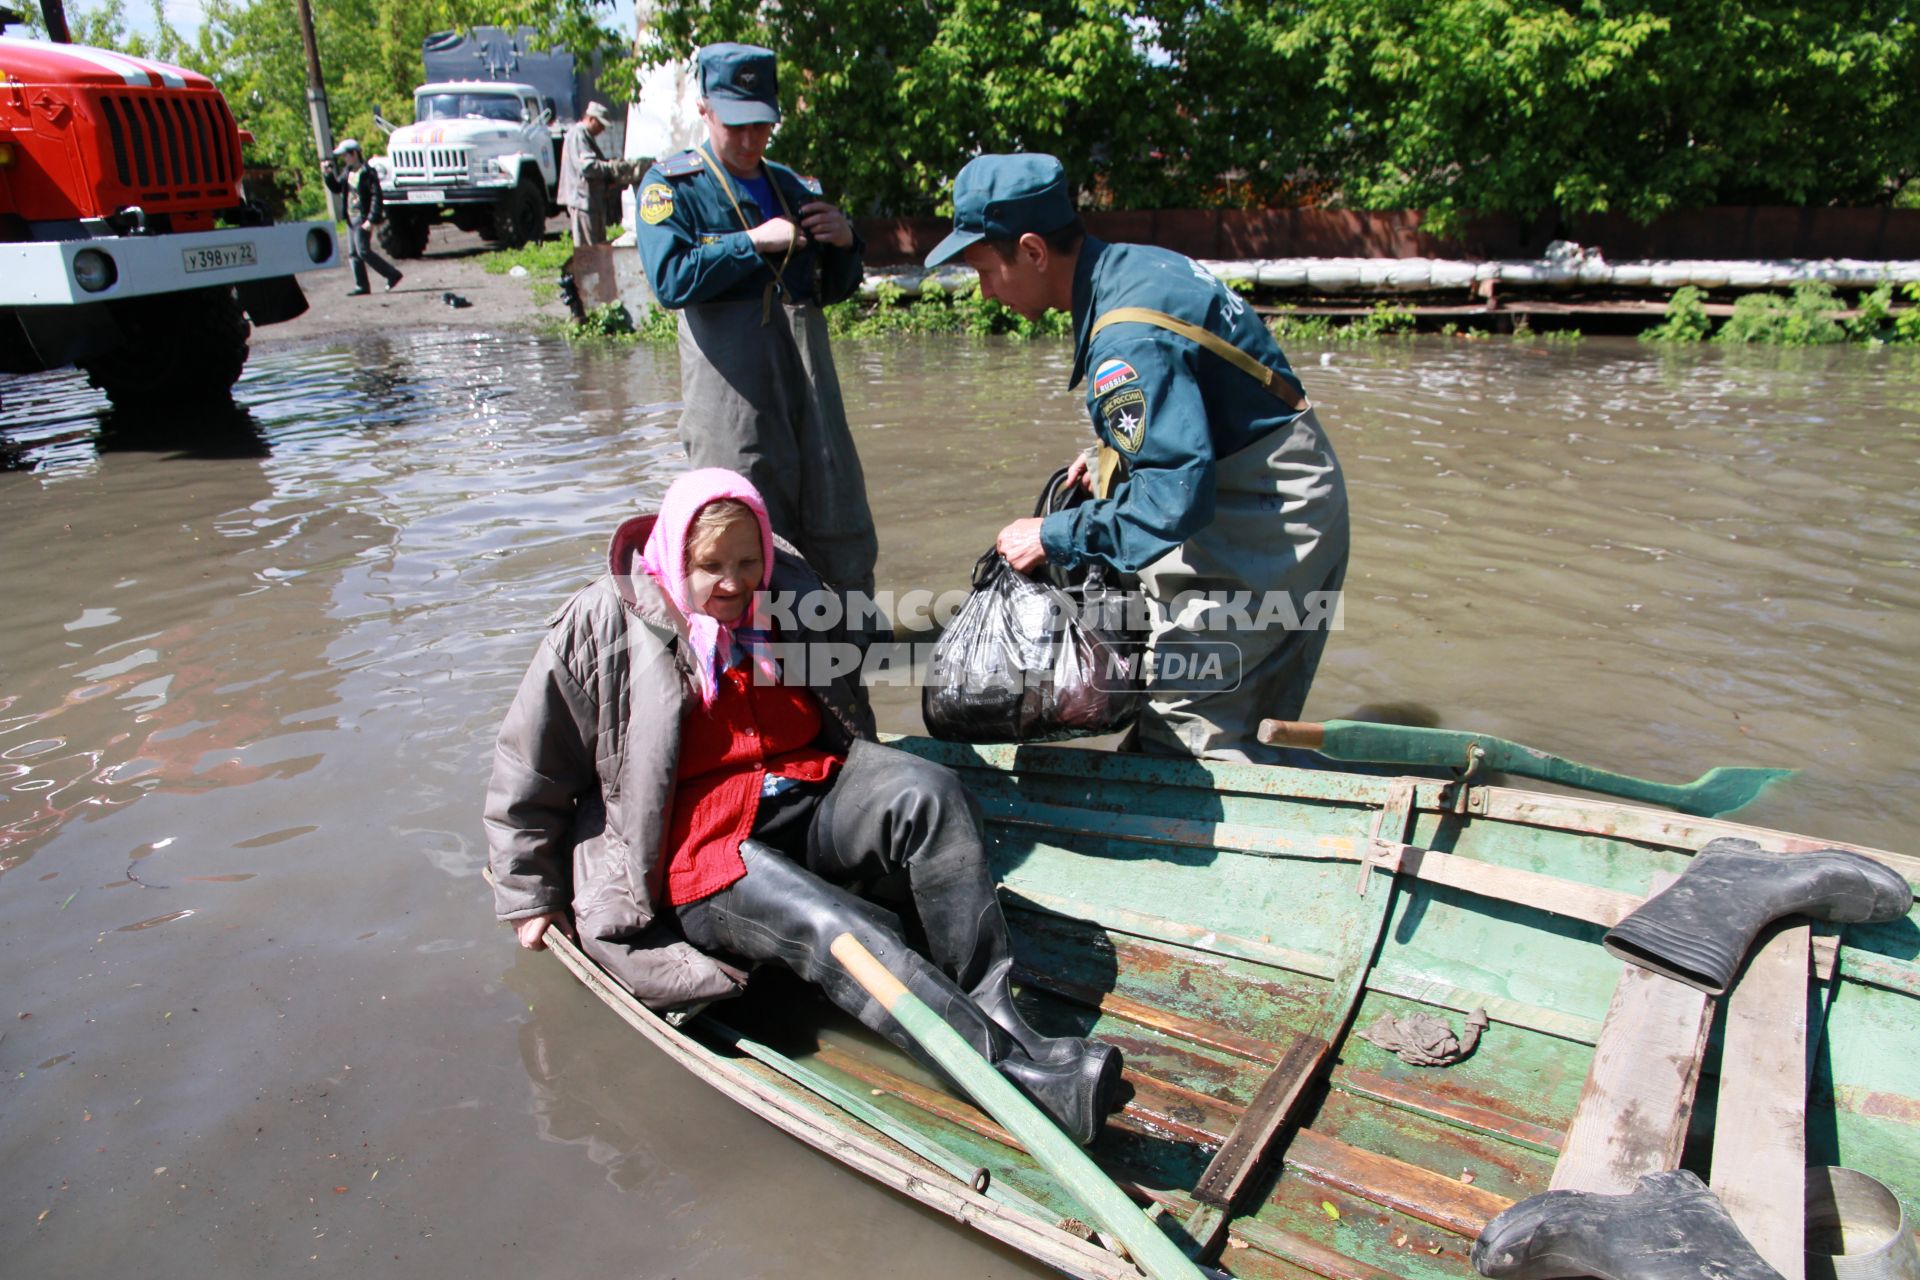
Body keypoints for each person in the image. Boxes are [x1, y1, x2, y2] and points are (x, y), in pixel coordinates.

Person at [483, 468, 1123, 1145]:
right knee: (834, 925)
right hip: (699, 849)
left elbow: (845, 696)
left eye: (747, 561)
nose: (733, 583)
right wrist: (531, 894)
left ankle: (998, 1011)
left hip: (803, 788)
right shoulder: (603, 621)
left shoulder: (786, 588)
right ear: (675, 556)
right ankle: (1014, 1082)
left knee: (930, 793)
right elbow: (531, 763)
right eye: (711, 566)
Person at [924, 154, 1350, 763]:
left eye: (985, 269)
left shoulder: (1125, 340)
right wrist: (1111, 458)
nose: (985, 290)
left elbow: (1173, 500)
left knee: (1189, 721)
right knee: (1252, 715)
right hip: (1293, 493)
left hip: (1263, 523)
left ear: (1033, 251)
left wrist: (1054, 532)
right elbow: (1198, 406)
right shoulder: (1135, 264)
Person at [633, 43, 877, 610]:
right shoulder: (674, 188)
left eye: (761, 126)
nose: (749, 141)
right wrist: (751, 243)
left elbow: (831, 289)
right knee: (736, 528)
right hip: (730, 397)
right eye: (736, 126)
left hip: (807, 387)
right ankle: (741, 662)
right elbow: (670, 280)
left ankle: (841, 654)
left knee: (834, 511)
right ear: (705, 111)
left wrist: (844, 243)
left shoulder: (795, 186)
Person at [323, 139, 402, 296]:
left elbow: (376, 197)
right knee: (353, 253)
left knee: (363, 251)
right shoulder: (347, 172)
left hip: (362, 216)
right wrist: (328, 175)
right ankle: (361, 285)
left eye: (346, 155)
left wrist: (371, 219)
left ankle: (391, 274)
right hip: (350, 217)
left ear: (354, 154)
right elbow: (337, 188)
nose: (344, 159)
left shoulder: (368, 172)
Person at [559, 101, 618, 248]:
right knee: (588, 250)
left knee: (596, 247)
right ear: (591, 119)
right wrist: (611, 168)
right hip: (582, 201)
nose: (602, 129)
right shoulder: (578, 135)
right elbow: (588, 167)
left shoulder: (584, 136)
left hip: (589, 201)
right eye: (600, 124)